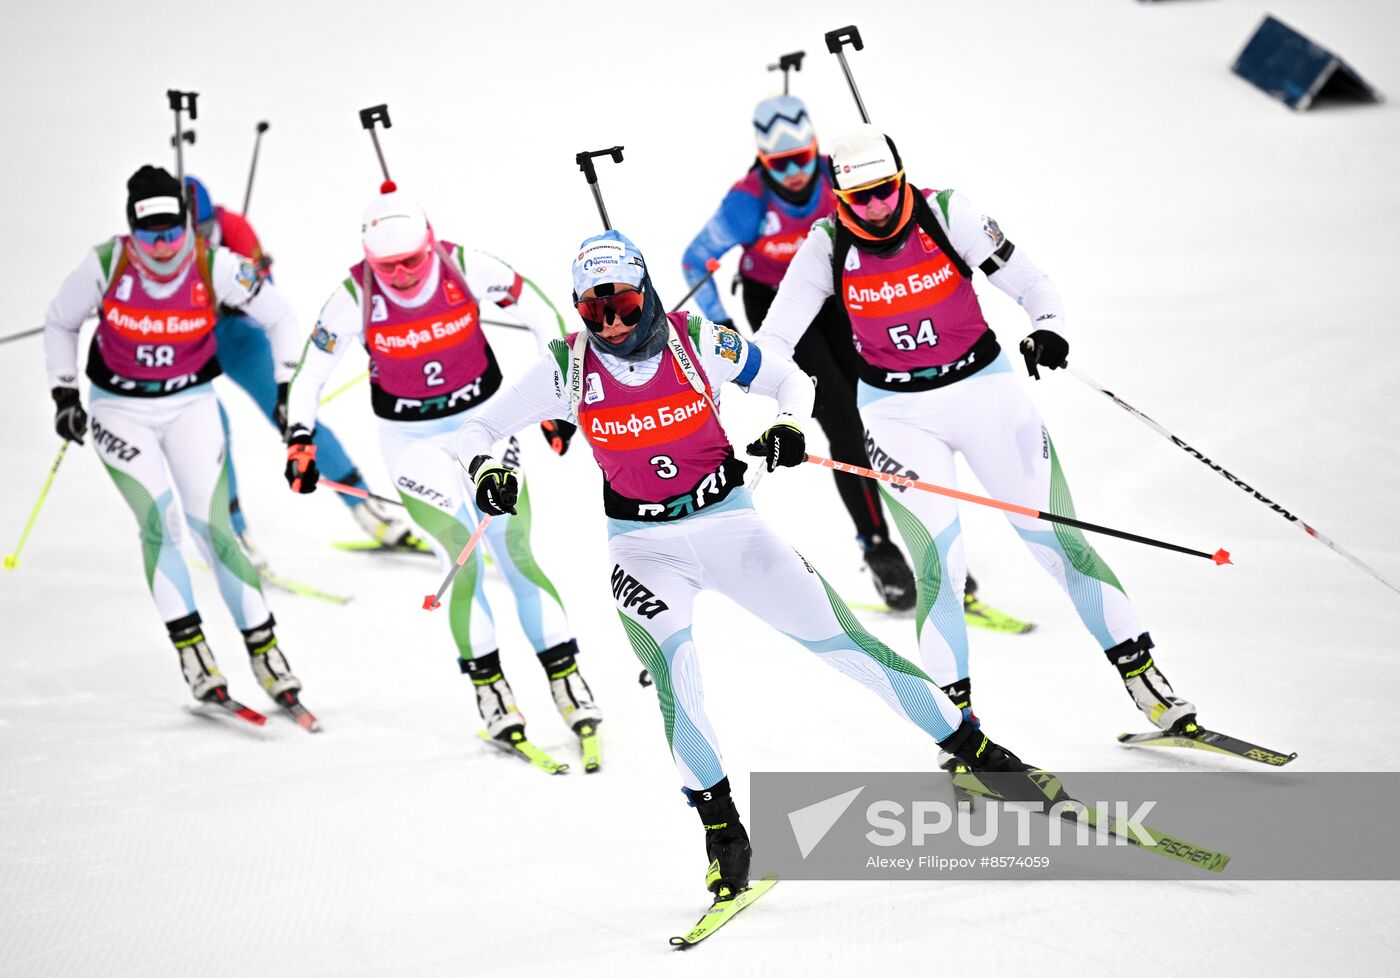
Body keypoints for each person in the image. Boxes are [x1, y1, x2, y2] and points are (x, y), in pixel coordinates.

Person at [454, 229, 1056, 900]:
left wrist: (788, 424)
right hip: (642, 548)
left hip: (729, 526)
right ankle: (724, 835)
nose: (614, 324)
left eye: (624, 302)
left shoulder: (697, 341)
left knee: (851, 648)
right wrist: (485, 469)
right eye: (596, 311)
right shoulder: (568, 367)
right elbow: (476, 429)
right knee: (677, 685)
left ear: (645, 291)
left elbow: (789, 380)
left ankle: (982, 755)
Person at [754, 125, 1198, 737]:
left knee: (1060, 542)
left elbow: (1033, 284)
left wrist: (1049, 326)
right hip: (896, 415)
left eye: (886, 191)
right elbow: (773, 341)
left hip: (985, 392)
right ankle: (956, 727)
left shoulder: (945, 212)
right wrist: (782, 414)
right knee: (939, 567)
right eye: (862, 199)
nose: (878, 208)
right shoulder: (825, 246)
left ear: (901, 179)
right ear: (839, 197)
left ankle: (1147, 683)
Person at [282, 183, 601, 762]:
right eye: (388, 265)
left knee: (515, 548)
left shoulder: (464, 265)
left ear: (431, 242)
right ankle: (491, 691)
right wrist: (299, 439)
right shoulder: (352, 296)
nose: (402, 274)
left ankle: (567, 680)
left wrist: (562, 396)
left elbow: (545, 316)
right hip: (409, 440)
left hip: (485, 422)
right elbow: (308, 377)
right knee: (459, 555)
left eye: (412, 259)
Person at [42, 164, 310, 720]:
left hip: (190, 405)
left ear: (188, 224)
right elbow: (60, 322)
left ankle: (265, 652)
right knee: (160, 525)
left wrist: (287, 387)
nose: (162, 245)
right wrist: (65, 394)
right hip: (120, 411)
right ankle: (195, 656)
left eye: (172, 230)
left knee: (216, 531)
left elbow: (282, 317)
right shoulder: (106, 263)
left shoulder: (216, 265)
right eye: (149, 232)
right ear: (130, 227)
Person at [681, 95, 916, 609]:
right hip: (776, 304)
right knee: (838, 414)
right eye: (779, 164)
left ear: (816, 150)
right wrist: (720, 324)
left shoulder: (841, 178)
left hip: (835, 292)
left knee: (882, 402)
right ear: (763, 162)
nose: (793, 173)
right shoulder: (747, 202)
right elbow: (696, 259)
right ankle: (878, 546)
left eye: (803, 159)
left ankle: (924, 535)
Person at [184, 176, 419, 555]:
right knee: (212, 431)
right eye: (192, 232)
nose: (201, 240)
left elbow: (269, 302)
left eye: (206, 230)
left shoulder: (235, 229)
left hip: (234, 336)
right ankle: (233, 533)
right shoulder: (158, 245)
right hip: (187, 344)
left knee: (294, 418)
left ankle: (368, 511)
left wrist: (236, 297)